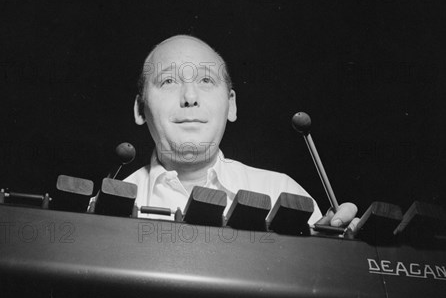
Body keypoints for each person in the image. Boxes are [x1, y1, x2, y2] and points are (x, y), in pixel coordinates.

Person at [125, 34, 358, 230]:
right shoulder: (104, 210)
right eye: (168, 81)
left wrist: (338, 250)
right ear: (140, 109)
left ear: (231, 105)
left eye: (206, 79)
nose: (190, 98)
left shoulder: (283, 194)